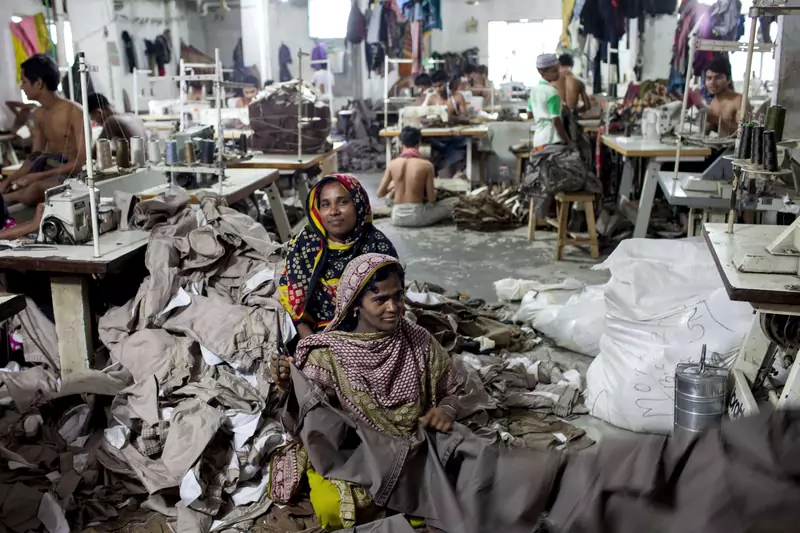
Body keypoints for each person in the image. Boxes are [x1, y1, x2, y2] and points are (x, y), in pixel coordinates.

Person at [270, 253, 463, 529]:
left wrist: (446, 409)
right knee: (331, 507)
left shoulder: (418, 340)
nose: (394, 307)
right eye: (380, 299)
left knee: (470, 472)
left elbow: (455, 387)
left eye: (398, 296)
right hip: (358, 458)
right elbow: (308, 422)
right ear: (355, 303)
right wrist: (288, 386)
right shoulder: (327, 355)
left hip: (414, 448)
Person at [278, 174, 398, 340]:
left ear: (358, 204)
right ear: (317, 210)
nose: (334, 211)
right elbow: (293, 303)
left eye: (343, 202)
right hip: (313, 331)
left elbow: (389, 303)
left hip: (369, 331)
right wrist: (312, 343)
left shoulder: (378, 246)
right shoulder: (305, 244)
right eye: (325, 204)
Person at [0, 54, 86, 208]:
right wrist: (9, 180)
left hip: (72, 174)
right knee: (10, 185)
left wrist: (38, 176)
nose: (21, 87)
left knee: (34, 189)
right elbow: (35, 156)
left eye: (24, 81)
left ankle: (8, 198)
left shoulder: (75, 112)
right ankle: (9, 195)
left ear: (39, 83)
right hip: (48, 170)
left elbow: (81, 161)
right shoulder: (38, 114)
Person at [377, 126, 458, 227]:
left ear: (401, 143)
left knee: (390, 196)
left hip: (396, 217)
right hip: (417, 217)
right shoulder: (426, 165)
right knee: (454, 202)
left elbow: (380, 193)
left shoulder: (392, 164)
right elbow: (431, 199)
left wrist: (394, 185)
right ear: (419, 143)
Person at [689, 55, 745, 137]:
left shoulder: (739, 101)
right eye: (709, 78)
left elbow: (743, 135)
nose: (712, 82)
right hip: (720, 147)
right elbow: (705, 133)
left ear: (728, 79)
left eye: (718, 77)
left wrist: (718, 120)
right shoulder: (714, 101)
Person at [529, 54, 574, 151]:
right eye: (554, 71)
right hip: (552, 140)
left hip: (538, 141)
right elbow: (556, 122)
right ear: (541, 72)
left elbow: (529, 114)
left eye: (558, 70)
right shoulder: (552, 92)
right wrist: (568, 141)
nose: (558, 73)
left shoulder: (534, 91)